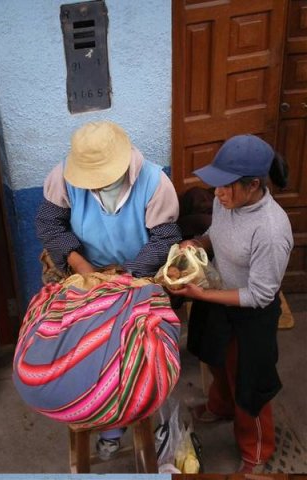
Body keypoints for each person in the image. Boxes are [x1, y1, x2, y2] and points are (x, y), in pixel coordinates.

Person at [35, 120, 182, 459]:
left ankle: (134, 407)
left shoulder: (154, 182)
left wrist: (128, 278)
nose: (97, 184)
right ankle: (103, 420)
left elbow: (164, 237)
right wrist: (85, 271)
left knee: (128, 348)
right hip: (86, 270)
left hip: (137, 273)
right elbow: (49, 224)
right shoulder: (64, 178)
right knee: (90, 349)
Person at [169, 134, 293, 473]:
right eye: (217, 186)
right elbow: (217, 236)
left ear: (254, 185)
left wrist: (202, 295)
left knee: (249, 383)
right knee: (217, 359)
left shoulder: (270, 230)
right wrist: (195, 243)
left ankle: (256, 448)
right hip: (219, 294)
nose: (218, 194)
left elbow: (260, 294)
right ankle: (220, 406)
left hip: (251, 314)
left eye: (226, 187)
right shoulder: (227, 203)